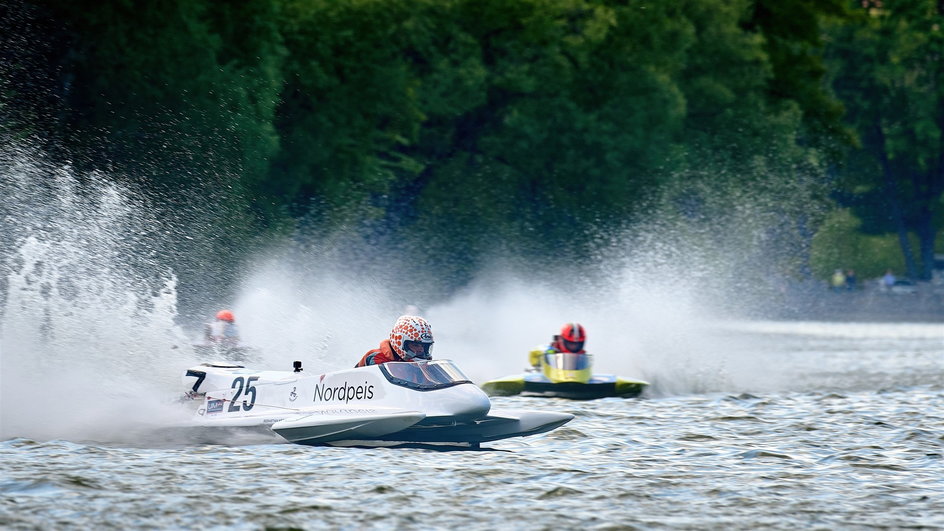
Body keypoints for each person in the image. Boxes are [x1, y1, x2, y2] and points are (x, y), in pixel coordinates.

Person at [355, 315, 434, 367]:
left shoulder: (419, 364)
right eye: (416, 345)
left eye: (425, 346)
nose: (421, 350)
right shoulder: (377, 357)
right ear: (400, 342)